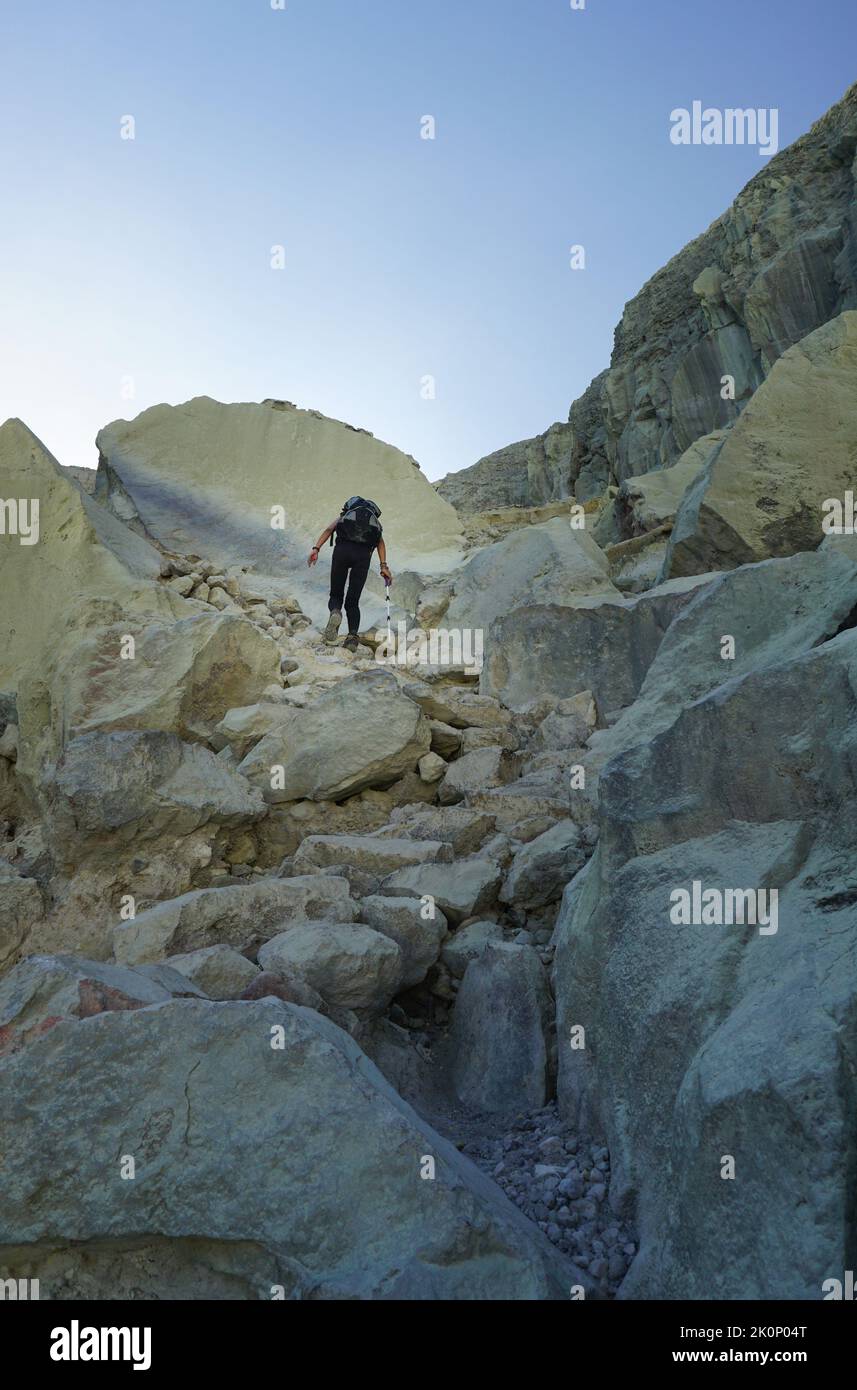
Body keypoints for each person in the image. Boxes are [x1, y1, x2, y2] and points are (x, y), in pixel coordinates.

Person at [308, 496, 393, 651]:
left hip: (342, 552)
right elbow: (380, 542)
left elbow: (329, 529)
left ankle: (335, 612)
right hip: (363, 557)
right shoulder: (373, 523)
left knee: (336, 594)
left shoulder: (346, 516)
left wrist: (316, 548)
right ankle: (352, 638)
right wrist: (383, 566)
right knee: (353, 601)